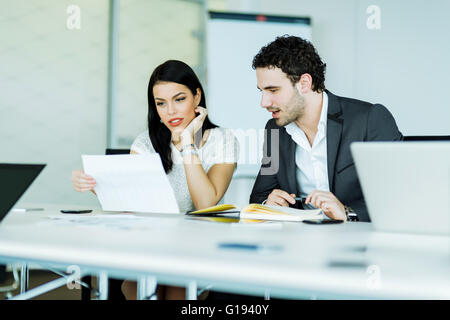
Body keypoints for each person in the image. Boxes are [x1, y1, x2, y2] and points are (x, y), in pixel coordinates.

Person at [72, 60, 239, 299]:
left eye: (179, 99)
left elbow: (206, 205)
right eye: (161, 103)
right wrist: (95, 185)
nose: (170, 111)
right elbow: (133, 202)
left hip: (200, 243)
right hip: (151, 241)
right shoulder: (145, 142)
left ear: (197, 96)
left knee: (176, 286)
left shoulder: (222, 140)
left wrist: (188, 142)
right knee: (144, 284)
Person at [249, 35, 402, 222]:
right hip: (298, 242)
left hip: (360, 242)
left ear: (304, 83)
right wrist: (268, 204)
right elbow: (259, 196)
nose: (264, 102)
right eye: (261, 91)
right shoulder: (274, 129)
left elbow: (399, 195)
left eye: (273, 91)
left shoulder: (369, 119)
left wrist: (348, 213)